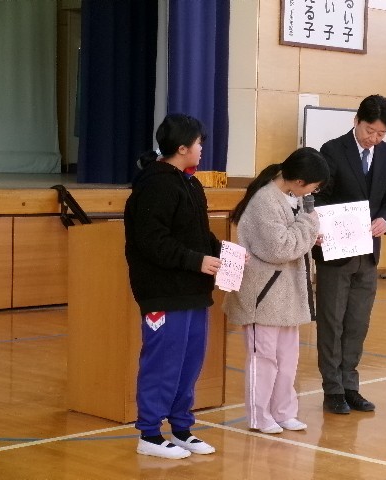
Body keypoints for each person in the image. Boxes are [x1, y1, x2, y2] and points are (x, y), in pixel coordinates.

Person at [124, 113, 222, 459]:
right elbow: (152, 241)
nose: (201, 149)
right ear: (182, 148)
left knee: (189, 363)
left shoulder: (191, 184)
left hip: (193, 290)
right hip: (163, 291)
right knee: (162, 362)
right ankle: (149, 433)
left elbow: (199, 235)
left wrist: (225, 254)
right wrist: (196, 261)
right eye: (198, 143)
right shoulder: (156, 184)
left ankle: (181, 428)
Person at [223, 147, 329, 434]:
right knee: (264, 359)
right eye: (314, 187)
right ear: (299, 181)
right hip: (263, 296)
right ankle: (259, 416)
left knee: (287, 359)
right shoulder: (264, 201)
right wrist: (309, 226)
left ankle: (283, 412)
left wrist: (308, 236)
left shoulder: (292, 198)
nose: (313, 193)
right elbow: (279, 248)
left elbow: (294, 239)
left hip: (287, 295)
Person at [313, 95, 386, 414]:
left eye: (381, 134)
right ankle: (332, 389)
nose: (373, 138)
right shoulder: (333, 150)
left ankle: (350, 385)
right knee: (332, 322)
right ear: (356, 121)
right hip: (336, 251)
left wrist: (385, 220)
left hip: (368, 253)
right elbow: (318, 198)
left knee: (357, 323)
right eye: (369, 131)